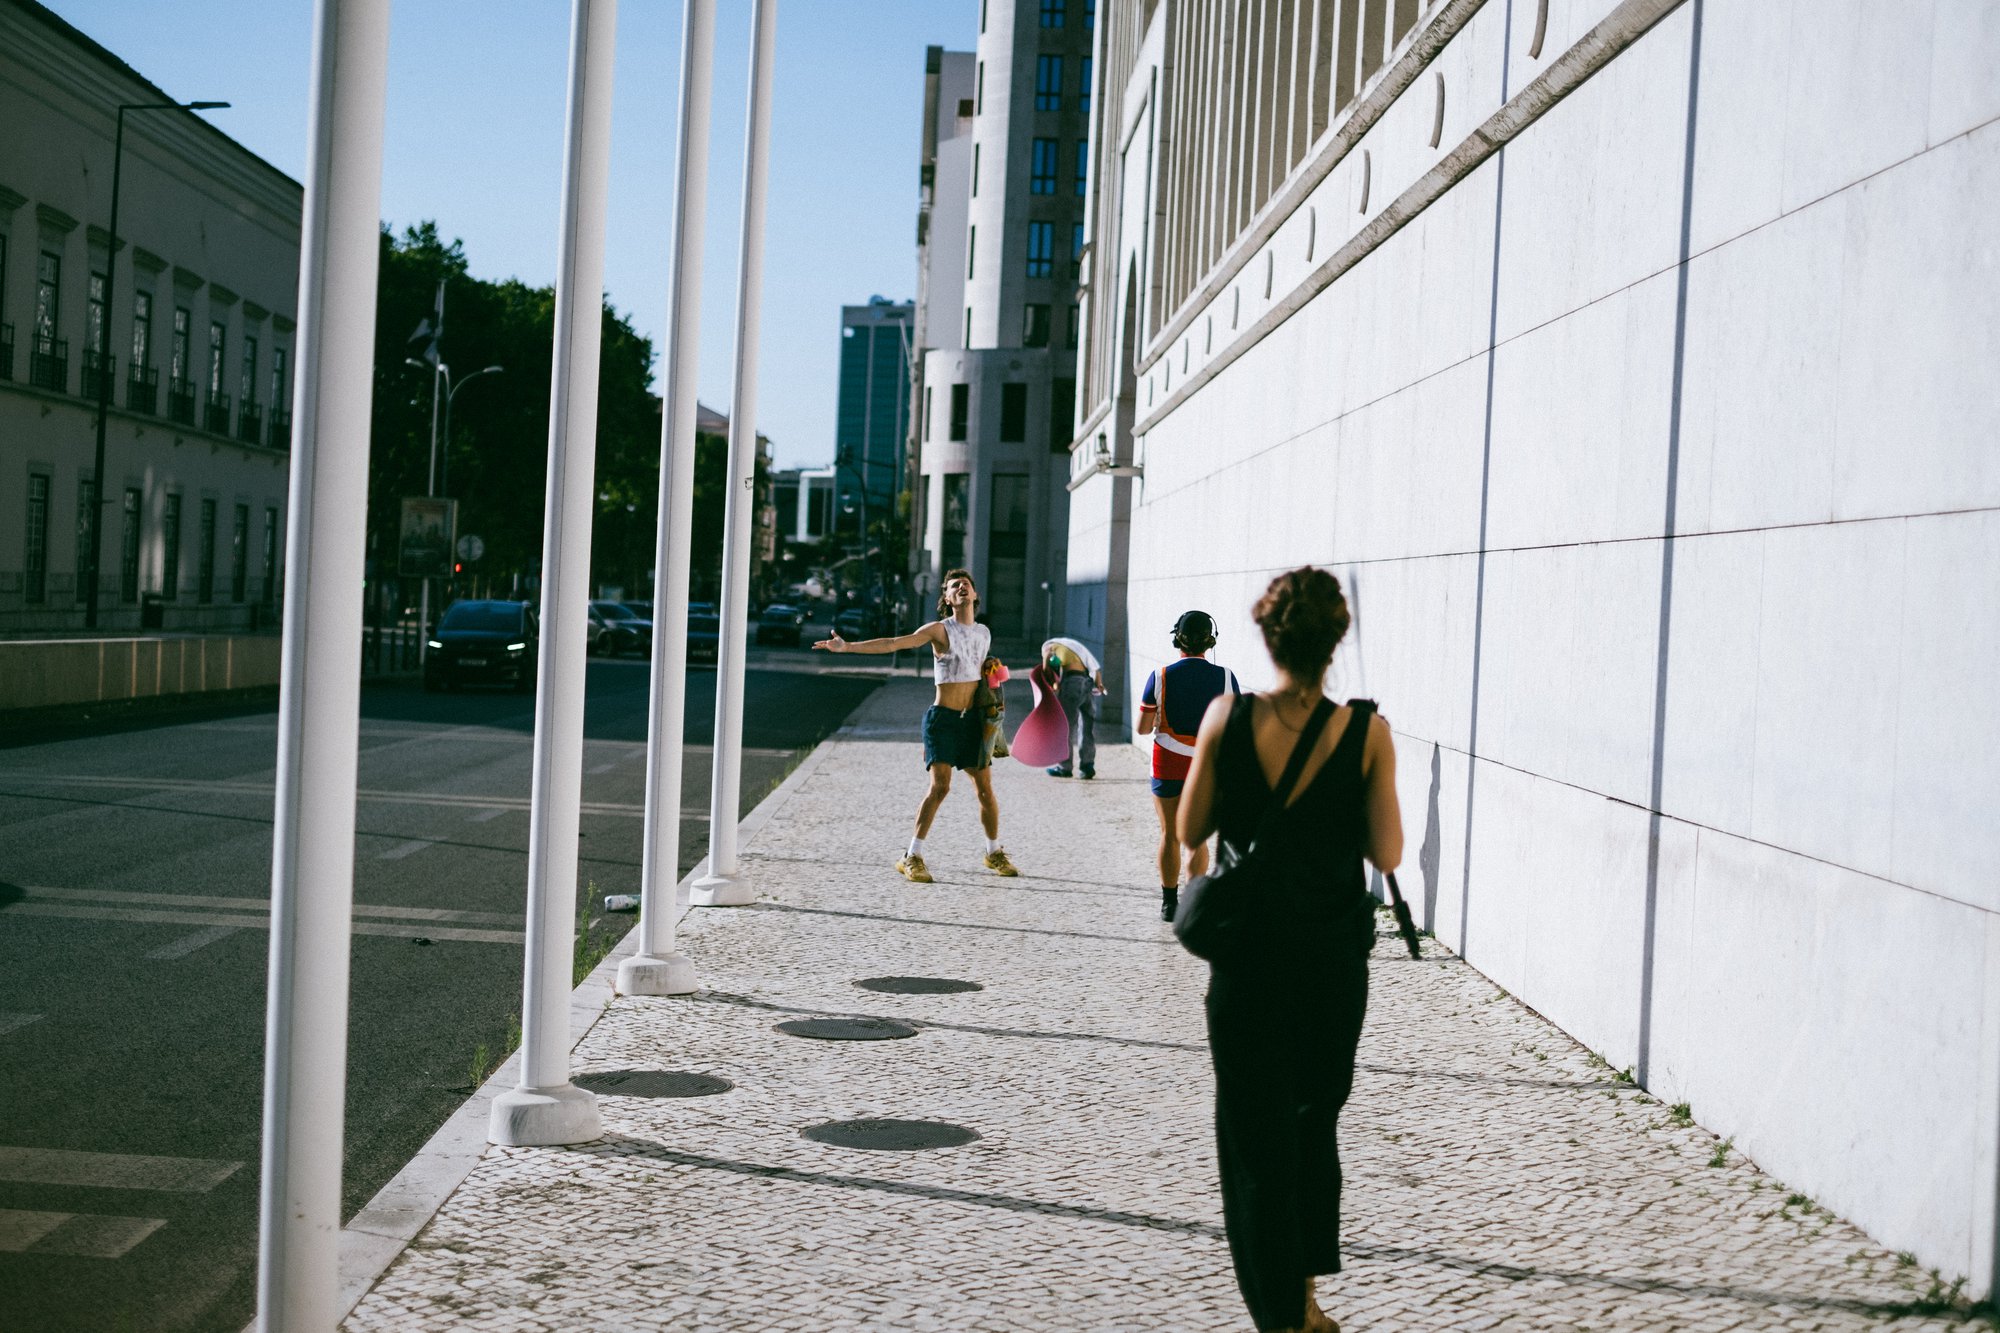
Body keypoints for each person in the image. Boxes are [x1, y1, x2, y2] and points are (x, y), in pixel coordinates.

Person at [1176, 567, 1402, 1333]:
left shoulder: (1225, 716)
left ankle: (1277, 1310)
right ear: (1335, 641)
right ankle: (1302, 1296)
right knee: (1313, 1126)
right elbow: (1390, 849)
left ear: (1267, 636)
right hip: (1331, 966)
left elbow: (1189, 830)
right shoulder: (1367, 731)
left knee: (1252, 1137)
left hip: (1249, 962)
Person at [813, 568, 1020, 883]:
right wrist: (849, 647)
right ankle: (912, 856)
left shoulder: (983, 633)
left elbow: (978, 672)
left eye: (966, 584)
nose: (962, 587)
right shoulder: (939, 630)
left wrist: (993, 676)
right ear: (948, 599)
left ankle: (993, 852)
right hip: (943, 719)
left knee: (985, 789)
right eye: (954, 586)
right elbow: (896, 643)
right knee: (940, 787)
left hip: (974, 721)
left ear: (975, 596)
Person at [1135, 610, 1239, 921]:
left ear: (1177, 639)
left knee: (1170, 834)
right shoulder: (1226, 677)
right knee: (1199, 837)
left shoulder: (1160, 676)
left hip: (1168, 761)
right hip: (1208, 764)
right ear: (1211, 640)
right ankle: (1194, 903)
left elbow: (1142, 727)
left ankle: (1169, 904)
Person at [1039, 635, 1104, 778]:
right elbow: (1095, 668)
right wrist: (1099, 684)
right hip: (1087, 682)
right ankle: (1087, 766)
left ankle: (1064, 767)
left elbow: (1046, 668)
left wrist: (1051, 683)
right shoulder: (1077, 648)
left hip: (1072, 683)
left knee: (1065, 726)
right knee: (1087, 727)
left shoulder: (1049, 647)